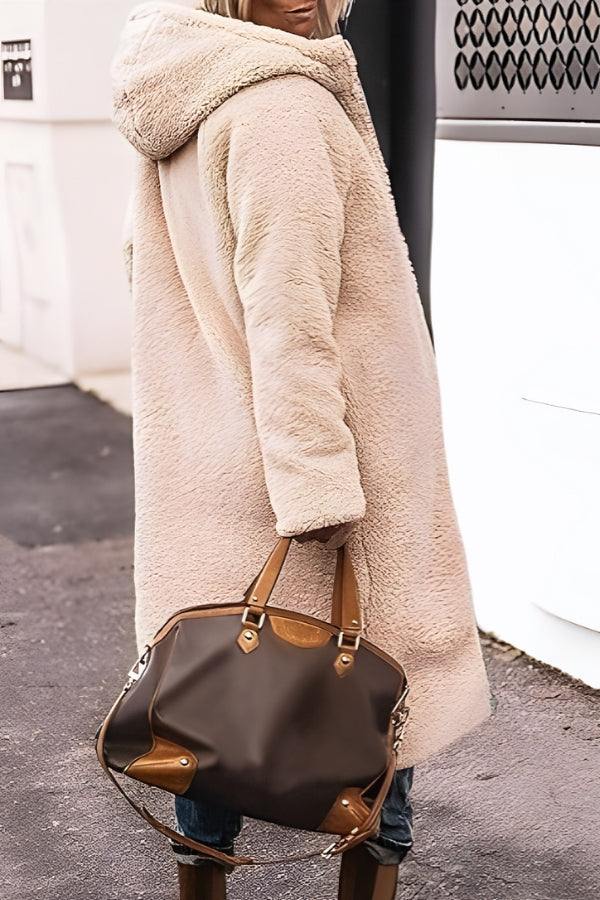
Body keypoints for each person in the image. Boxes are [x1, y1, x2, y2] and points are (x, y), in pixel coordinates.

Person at [111, 1, 491, 897]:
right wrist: (320, 490)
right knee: (374, 742)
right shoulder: (282, 105)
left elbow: (147, 277)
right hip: (318, 475)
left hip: (214, 464)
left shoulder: (186, 94)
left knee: (210, 729)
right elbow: (291, 324)